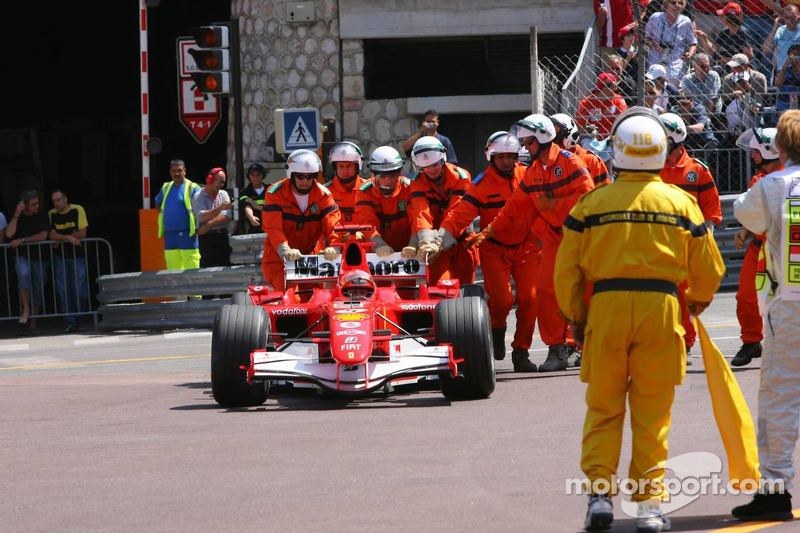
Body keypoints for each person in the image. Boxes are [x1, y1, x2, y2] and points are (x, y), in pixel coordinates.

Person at [553, 107, 724, 532]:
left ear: (617, 151)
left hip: (606, 313)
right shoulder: (680, 202)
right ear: (661, 153)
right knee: (653, 414)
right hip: (661, 310)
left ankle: (598, 499)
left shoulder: (592, 203)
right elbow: (710, 268)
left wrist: (576, 317)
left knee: (604, 409)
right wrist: (696, 304)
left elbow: (565, 270)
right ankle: (649, 507)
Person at [467, 114, 594, 372]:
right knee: (545, 293)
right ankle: (556, 350)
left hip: (579, 236)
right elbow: (514, 207)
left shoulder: (569, 162)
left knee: (583, 293)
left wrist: (557, 205)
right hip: (552, 238)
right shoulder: (534, 172)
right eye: (523, 142)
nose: (525, 148)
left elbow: (588, 193)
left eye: (529, 142)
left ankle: (590, 346)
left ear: (543, 138)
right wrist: (490, 230)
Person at [730, 109, 800, 522]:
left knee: (779, 398)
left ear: (781, 148)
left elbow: (744, 213)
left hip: (789, 306)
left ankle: (775, 489)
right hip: (787, 305)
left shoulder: (771, 186)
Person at [435, 132, 539, 372]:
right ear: (491, 157)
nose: (505, 161)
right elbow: (459, 215)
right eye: (500, 157)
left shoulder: (528, 176)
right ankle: (497, 329)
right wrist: (440, 240)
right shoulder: (480, 184)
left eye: (510, 156)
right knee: (502, 301)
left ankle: (521, 352)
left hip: (527, 247)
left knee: (530, 299)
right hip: (494, 249)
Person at [659, 112, 722, 360]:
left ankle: (685, 343)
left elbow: (711, 210)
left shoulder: (698, 170)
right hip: (660, 243)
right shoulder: (652, 168)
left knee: (685, 297)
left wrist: (703, 244)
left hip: (688, 245)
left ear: (674, 139)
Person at [731, 127, 782, 367]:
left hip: (784, 247)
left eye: (756, 152)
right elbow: (755, 211)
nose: (753, 157)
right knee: (745, 296)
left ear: (768, 151)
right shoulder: (758, 179)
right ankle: (752, 341)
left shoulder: (789, 176)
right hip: (759, 246)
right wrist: (745, 230)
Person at [260, 149, 341, 291]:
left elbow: (333, 224)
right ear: (291, 174)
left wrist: (334, 247)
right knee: (287, 298)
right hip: (279, 257)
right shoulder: (275, 193)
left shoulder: (324, 195)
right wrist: (284, 249)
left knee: (315, 297)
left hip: (312, 255)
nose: (305, 182)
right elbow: (273, 227)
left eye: (309, 177)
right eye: (300, 177)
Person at [407, 136, 474, 284]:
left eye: (435, 165)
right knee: (441, 287)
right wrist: (425, 242)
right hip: (434, 245)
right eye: (426, 167)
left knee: (466, 288)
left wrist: (439, 242)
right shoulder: (417, 182)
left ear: (443, 158)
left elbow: (457, 214)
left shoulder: (461, 177)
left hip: (461, 241)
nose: (431, 170)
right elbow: (420, 211)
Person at [356, 146, 431, 259]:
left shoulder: (412, 188)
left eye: (393, 175)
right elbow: (367, 222)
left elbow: (419, 217)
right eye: (383, 176)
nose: (388, 181)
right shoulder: (364, 192)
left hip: (411, 252)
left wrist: (414, 244)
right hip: (378, 254)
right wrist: (379, 245)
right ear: (374, 174)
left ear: (400, 172)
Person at [5, 190, 51, 335]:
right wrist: (16, 214)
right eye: (33, 204)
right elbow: (9, 234)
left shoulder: (42, 214)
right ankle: (26, 309)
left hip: (39, 257)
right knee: (23, 274)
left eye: (37, 203)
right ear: (25, 206)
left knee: (38, 287)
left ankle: (33, 323)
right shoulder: (18, 216)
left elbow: (43, 235)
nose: (37, 206)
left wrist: (23, 240)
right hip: (22, 256)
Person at [48, 189, 89, 333]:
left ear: (65, 199)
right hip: (60, 257)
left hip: (77, 256)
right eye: (54, 201)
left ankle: (81, 319)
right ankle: (70, 321)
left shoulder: (78, 210)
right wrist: (69, 238)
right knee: (63, 290)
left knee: (79, 290)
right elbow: (51, 235)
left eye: (58, 200)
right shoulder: (51, 214)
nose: (56, 203)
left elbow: (82, 233)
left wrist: (61, 237)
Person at [155, 159, 202, 270]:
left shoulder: (193, 188)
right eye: (174, 171)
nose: (176, 174)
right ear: (170, 172)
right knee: (172, 274)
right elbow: (157, 202)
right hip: (170, 235)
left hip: (188, 235)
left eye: (179, 170)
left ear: (185, 171)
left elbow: (202, 208)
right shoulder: (166, 187)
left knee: (192, 273)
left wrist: (199, 226)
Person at [551, 113, 611, 187]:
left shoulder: (590, 160)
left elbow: (604, 194)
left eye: (555, 140)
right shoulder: (545, 162)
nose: (551, 145)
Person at [645, 0, 697, 84]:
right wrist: (654, 45)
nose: (677, 5)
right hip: (655, 66)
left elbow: (693, 43)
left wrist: (689, 54)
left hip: (675, 68)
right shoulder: (655, 18)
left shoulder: (686, 21)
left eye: (680, 3)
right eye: (673, 2)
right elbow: (645, 38)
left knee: (673, 94)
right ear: (666, 4)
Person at [192, 167, 233, 268]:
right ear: (210, 179)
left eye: (223, 182)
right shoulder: (198, 196)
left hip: (221, 236)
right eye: (218, 181)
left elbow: (226, 216)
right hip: (206, 238)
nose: (221, 185)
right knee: (207, 268)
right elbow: (201, 216)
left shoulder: (223, 194)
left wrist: (209, 224)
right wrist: (219, 209)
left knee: (225, 266)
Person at [575, 73, 629, 137]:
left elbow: (623, 122)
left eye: (615, 84)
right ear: (601, 88)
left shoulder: (618, 100)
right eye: (610, 85)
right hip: (593, 139)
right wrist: (589, 132)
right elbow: (579, 126)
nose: (615, 88)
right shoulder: (586, 102)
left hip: (613, 137)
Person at [325, 141, 366, 224]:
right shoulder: (325, 192)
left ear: (357, 166)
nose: (345, 171)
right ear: (334, 167)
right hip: (336, 236)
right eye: (341, 166)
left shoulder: (368, 189)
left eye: (349, 166)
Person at [762, 5, 800, 75]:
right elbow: (765, 50)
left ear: (798, 15)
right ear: (783, 18)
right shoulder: (780, 30)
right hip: (782, 70)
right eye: (787, 18)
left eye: (793, 17)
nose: (790, 21)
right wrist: (775, 27)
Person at [725, 72, 764, 139]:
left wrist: (743, 98)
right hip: (732, 138)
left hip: (753, 137)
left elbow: (754, 110)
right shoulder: (728, 101)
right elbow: (723, 122)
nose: (742, 85)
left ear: (750, 84)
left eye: (744, 82)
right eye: (739, 83)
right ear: (734, 85)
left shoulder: (756, 99)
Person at [239, 163, 267, 235]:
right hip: (254, 229)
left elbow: (273, 208)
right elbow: (246, 206)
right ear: (249, 176)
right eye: (252, 175)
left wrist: (255, 206)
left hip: (270, 227)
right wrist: (251, 217)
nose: (255, 177)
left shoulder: (270, 190)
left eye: (258, 174)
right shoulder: (244, 192)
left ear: (262, 175)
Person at [775, 44, 800, 112]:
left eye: (799, 55)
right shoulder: (783, 70)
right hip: (783, 108)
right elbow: (777, 84)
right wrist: (786, 65)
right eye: (794, 54)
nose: (796, 57)